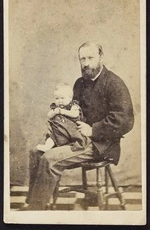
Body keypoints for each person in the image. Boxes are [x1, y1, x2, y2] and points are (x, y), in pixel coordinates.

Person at [21, 42, 134, 210]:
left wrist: (94, 130)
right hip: (74, 137)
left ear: (101, 57)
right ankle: (34, 204)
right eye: (82, 59)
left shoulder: (114, 83)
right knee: (35, 153)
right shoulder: (79, 83)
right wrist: (55, 134)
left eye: (90, 57)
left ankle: (34, 211)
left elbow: (125, 120)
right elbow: (68, 115)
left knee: (49, 159)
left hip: (101, 144)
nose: (86, 63)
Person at [36, 82, 91, 153]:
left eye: (62, 98)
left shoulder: (73, 106)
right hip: (59, 130)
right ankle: (47, 146)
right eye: (57, 98)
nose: (60, 101)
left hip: (70, 129)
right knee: (51, 137)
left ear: (70, 98)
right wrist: (54, 112)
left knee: (71, 136)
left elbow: (75, 114)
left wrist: (62, 112)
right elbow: (48, 116)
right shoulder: (56, 108)